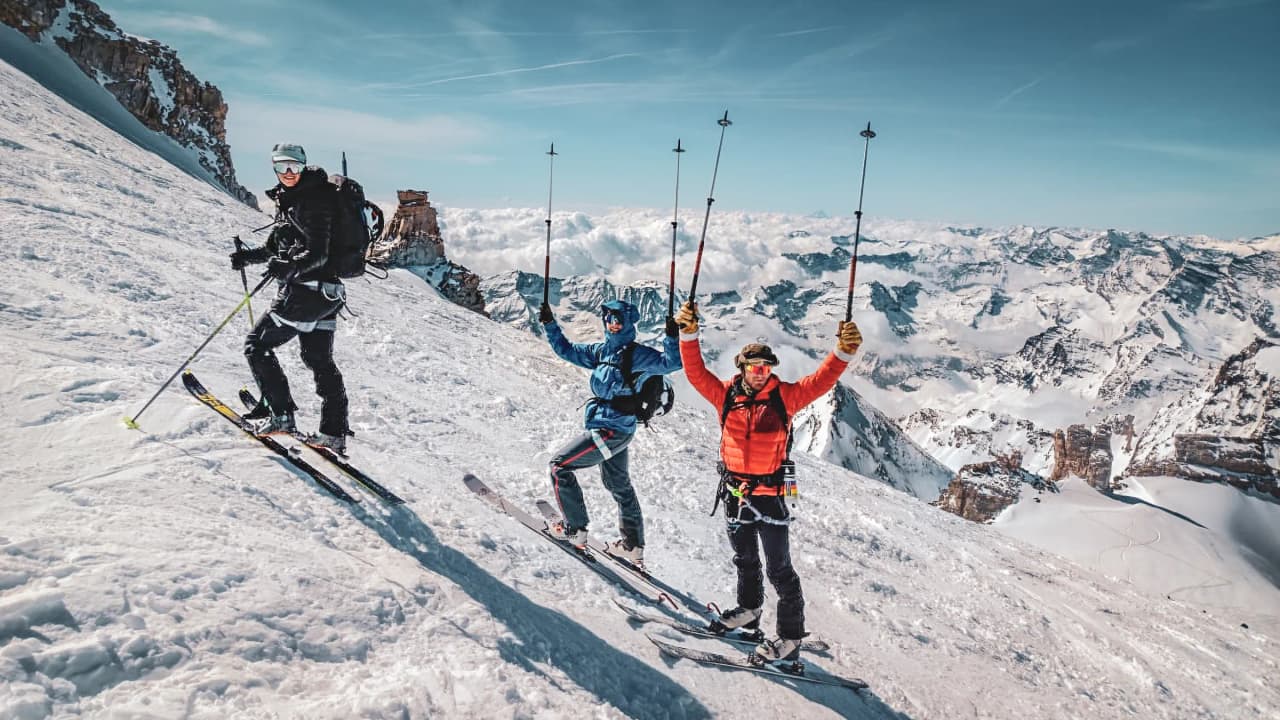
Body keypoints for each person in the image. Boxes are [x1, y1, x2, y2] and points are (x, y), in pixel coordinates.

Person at [673, 299, 862, 664]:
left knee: (779, 569)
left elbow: (821, 381)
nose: (760, 372)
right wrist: (689, 334)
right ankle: (749, 612)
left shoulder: (785, 397)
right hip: (734, 492)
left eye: (765, 367)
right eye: (754, 366)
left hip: (770, 495)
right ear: (741, 367)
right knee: (745, 559)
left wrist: (842, 351)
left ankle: (790, 637)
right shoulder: (725, 395)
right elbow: (695, 372)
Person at [539, 299, 682, 569]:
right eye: (609, 319)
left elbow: (671, 363)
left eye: (618, 320)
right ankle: (633, 546)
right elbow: (567, 350)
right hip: (613, 428)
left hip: (611, 430)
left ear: (629, 323)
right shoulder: (603, 350)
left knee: (560, 467)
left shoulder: (638, 354)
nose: (612, 324)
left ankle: (575, 529)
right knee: (619, 486)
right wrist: (549, 324)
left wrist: (672, 336)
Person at [229, 143, 350, 453]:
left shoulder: (313, 200)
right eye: (282, 166)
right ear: (273, 167)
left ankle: (281, 415)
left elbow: (319, 253)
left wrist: (291, 267)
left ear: (303, 166)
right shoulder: (291, 201)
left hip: (307, 294)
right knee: (319, 360)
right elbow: (275, 247)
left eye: (294, 166)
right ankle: (332, 432)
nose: (288, 173)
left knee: (257, 346)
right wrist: (248, 257)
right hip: (328, 295)